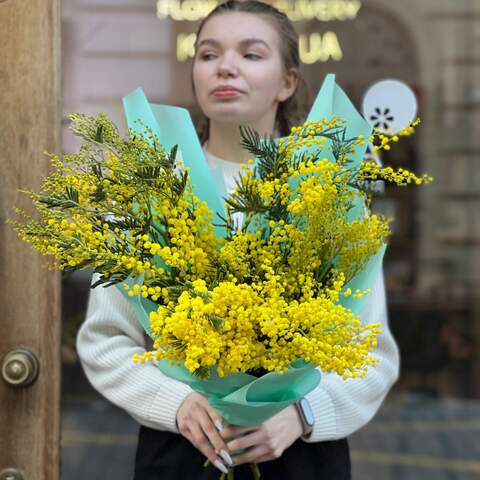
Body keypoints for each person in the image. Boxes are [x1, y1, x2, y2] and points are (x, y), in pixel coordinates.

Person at [76, 1, 400, 479]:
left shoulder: (326, 194)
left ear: (287, 81)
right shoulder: (153, 191)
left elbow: (372, 352)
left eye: (251, 54)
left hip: (300, 453)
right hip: (183, 450)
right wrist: (177, 403)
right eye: (208, 55)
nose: (225, 66)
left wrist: (302, 415)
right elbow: (105, 340)